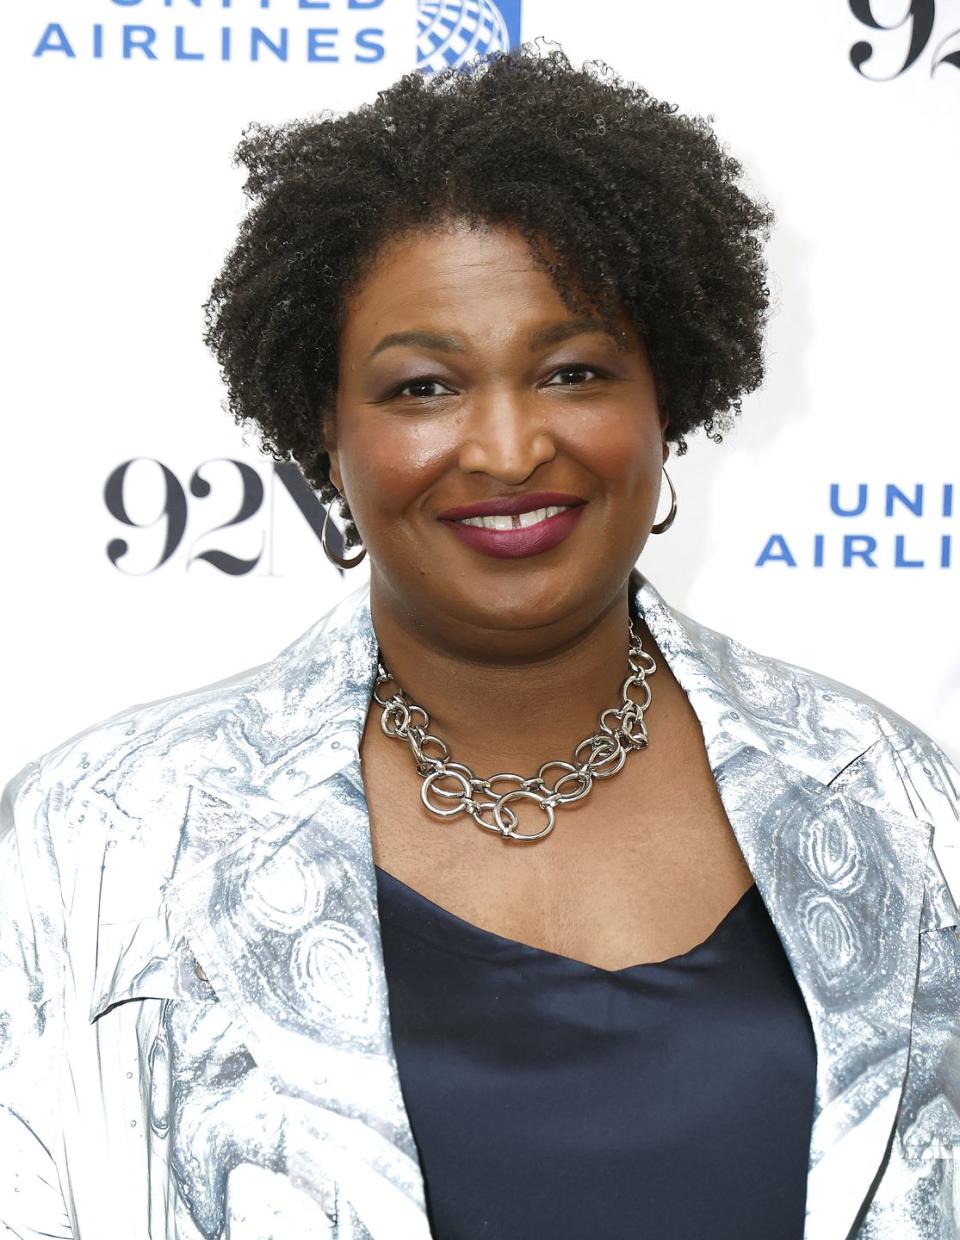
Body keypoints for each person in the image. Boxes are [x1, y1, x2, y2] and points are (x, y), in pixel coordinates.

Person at [1, 40, 957, 1240]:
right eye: (421, 388)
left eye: (571, 371)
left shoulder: (892, 801)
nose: (507, 449)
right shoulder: (103, 840)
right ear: (323, 433)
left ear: (670, 398)